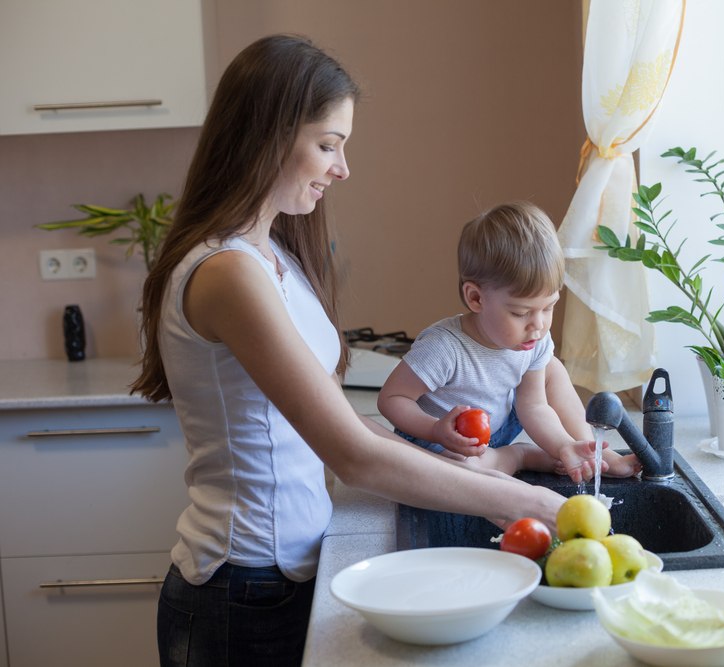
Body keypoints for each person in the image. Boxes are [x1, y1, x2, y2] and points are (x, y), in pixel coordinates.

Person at [130, 35, 567, 667]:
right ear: (269, 136)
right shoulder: (227, 272)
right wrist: (527, 500)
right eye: (329, 145)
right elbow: (352, 456)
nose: (342, 168)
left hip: (282, 577)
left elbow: (349, 425)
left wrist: (488, 465)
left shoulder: (272, 255)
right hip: (238, 588)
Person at [377, 202, 641, 481]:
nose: (538, 325)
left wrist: (563, 444)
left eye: (549, 307)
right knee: (461, 473)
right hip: (443, 442)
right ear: (476, 298)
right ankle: (520, 456)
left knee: (551, 368)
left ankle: (588, 449)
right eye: (521, 312)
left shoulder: (533, 338)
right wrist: (435, 429)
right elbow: (391, 399)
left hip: (497, 426)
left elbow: (534, 406)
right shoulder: (444, 347)